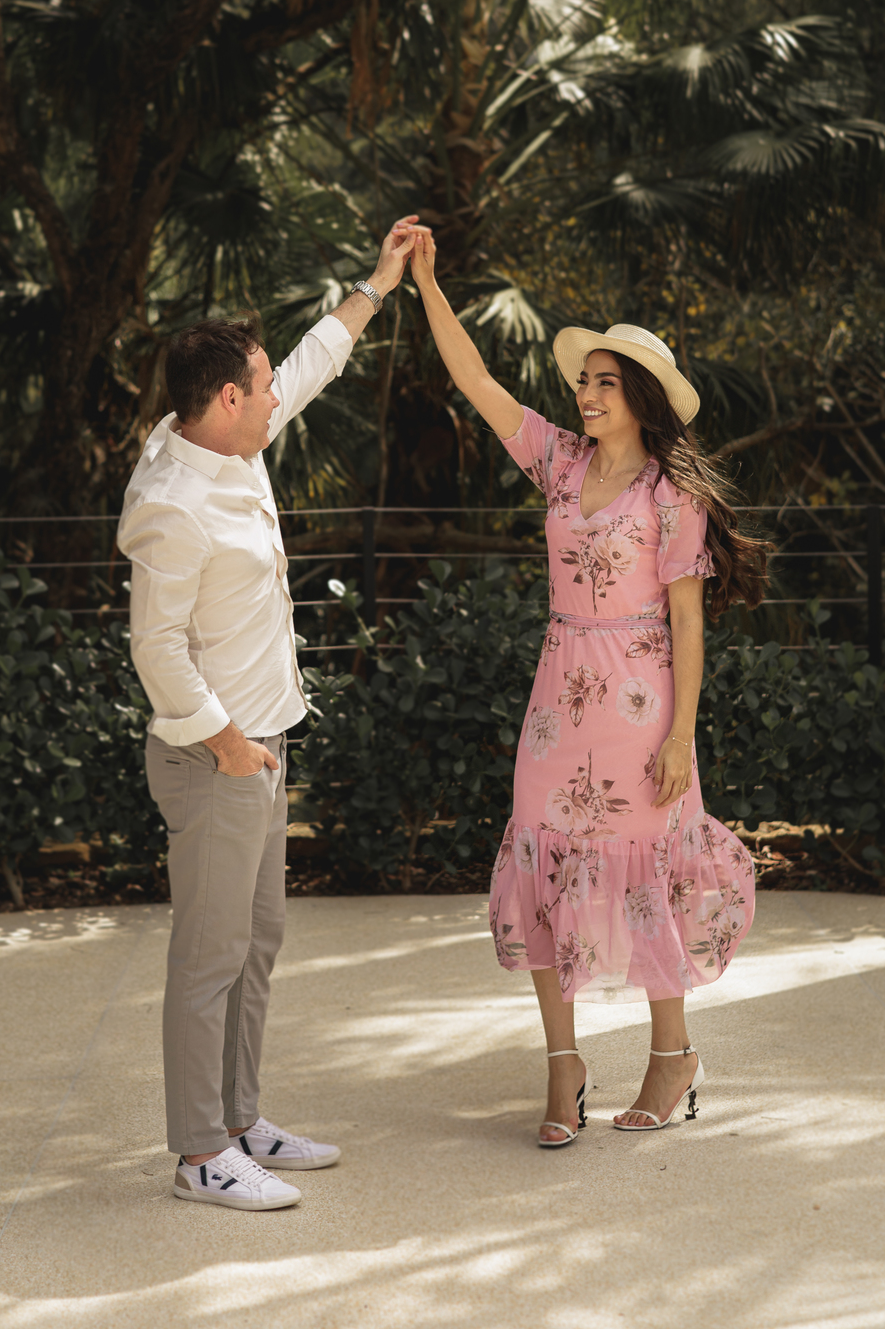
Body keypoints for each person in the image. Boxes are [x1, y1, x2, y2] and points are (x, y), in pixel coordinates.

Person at [408, 230, 767, 1145]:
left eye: (607, 382)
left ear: (640, 398)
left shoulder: (670, 495)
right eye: (585, 380)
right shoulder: (560, 461)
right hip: (558, 698)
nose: (588, 392)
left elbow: (689, 622)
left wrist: (683, 735)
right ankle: (562, 1070)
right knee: (541, 856)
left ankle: (673, 1055)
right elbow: (480, 385)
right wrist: (427, 286)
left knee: (652, 874)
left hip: (642, 707)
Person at [118, 218, 419, 1211]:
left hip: (259, 747)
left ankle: (242, 1123)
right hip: (217, 760)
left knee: (257, 942)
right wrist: (230, 744)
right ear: (226, 400)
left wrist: (377, 284)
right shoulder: (174, 501)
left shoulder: (230, 444)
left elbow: (311, 362)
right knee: (210, 958)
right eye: (261, 386)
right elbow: (156, 649)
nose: (276, 395)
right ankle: (202, 1153)